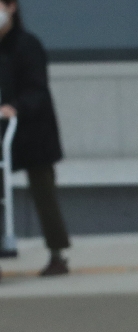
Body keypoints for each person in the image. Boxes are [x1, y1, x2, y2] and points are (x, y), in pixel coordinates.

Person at [0, 0, 70, 275]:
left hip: (33, 131)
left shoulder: (27, 45)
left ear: (11, 7)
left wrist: (15, 107)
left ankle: (57, 253)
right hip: (3, 131)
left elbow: (37, 88)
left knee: (43, 191)